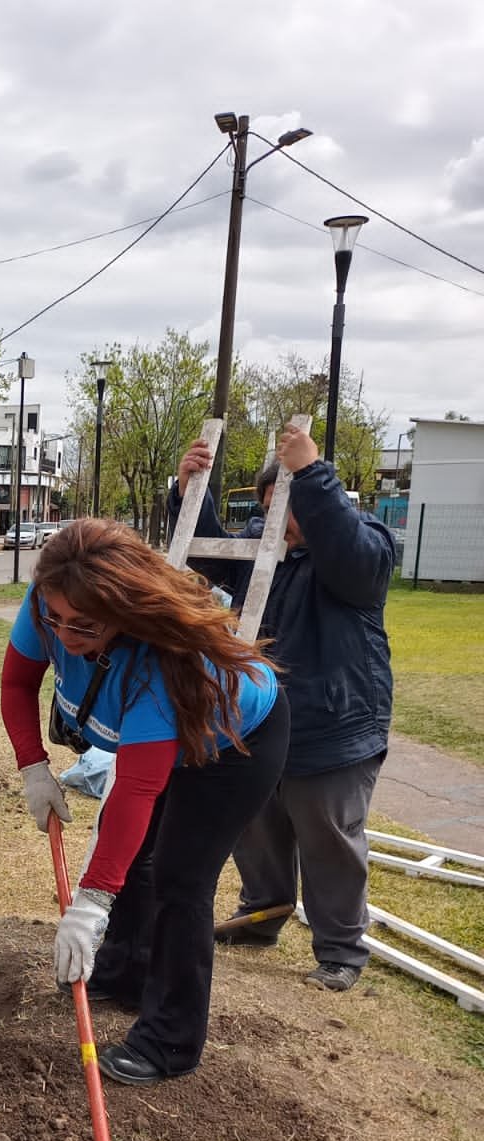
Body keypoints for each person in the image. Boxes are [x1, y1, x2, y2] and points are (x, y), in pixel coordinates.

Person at [1, 519, 289, 1086]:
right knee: (131, 857)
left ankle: (170, 1041)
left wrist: (88, 907)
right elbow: (16, 684)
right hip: (158, 746)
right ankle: (123, 974)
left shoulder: (160, 664)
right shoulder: (48, 602)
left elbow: (137, 788)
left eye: (82, 626)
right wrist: (33, 767)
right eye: (55, 619)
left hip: (235, 743)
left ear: (123, 612)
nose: (63, 634)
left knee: (181, 878)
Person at [170, 425, 395, 992]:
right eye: (268, 511)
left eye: (287, 512)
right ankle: (264, 914)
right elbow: (214, 558)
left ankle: (341, 949)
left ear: (317, 504)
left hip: (334, 723)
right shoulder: (268, 546)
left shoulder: (361, 544)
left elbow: (355, 563)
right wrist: (189, 493)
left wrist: (314, 477)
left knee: (328, 836)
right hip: (264, 718)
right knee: (256, 822)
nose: (277, 527)